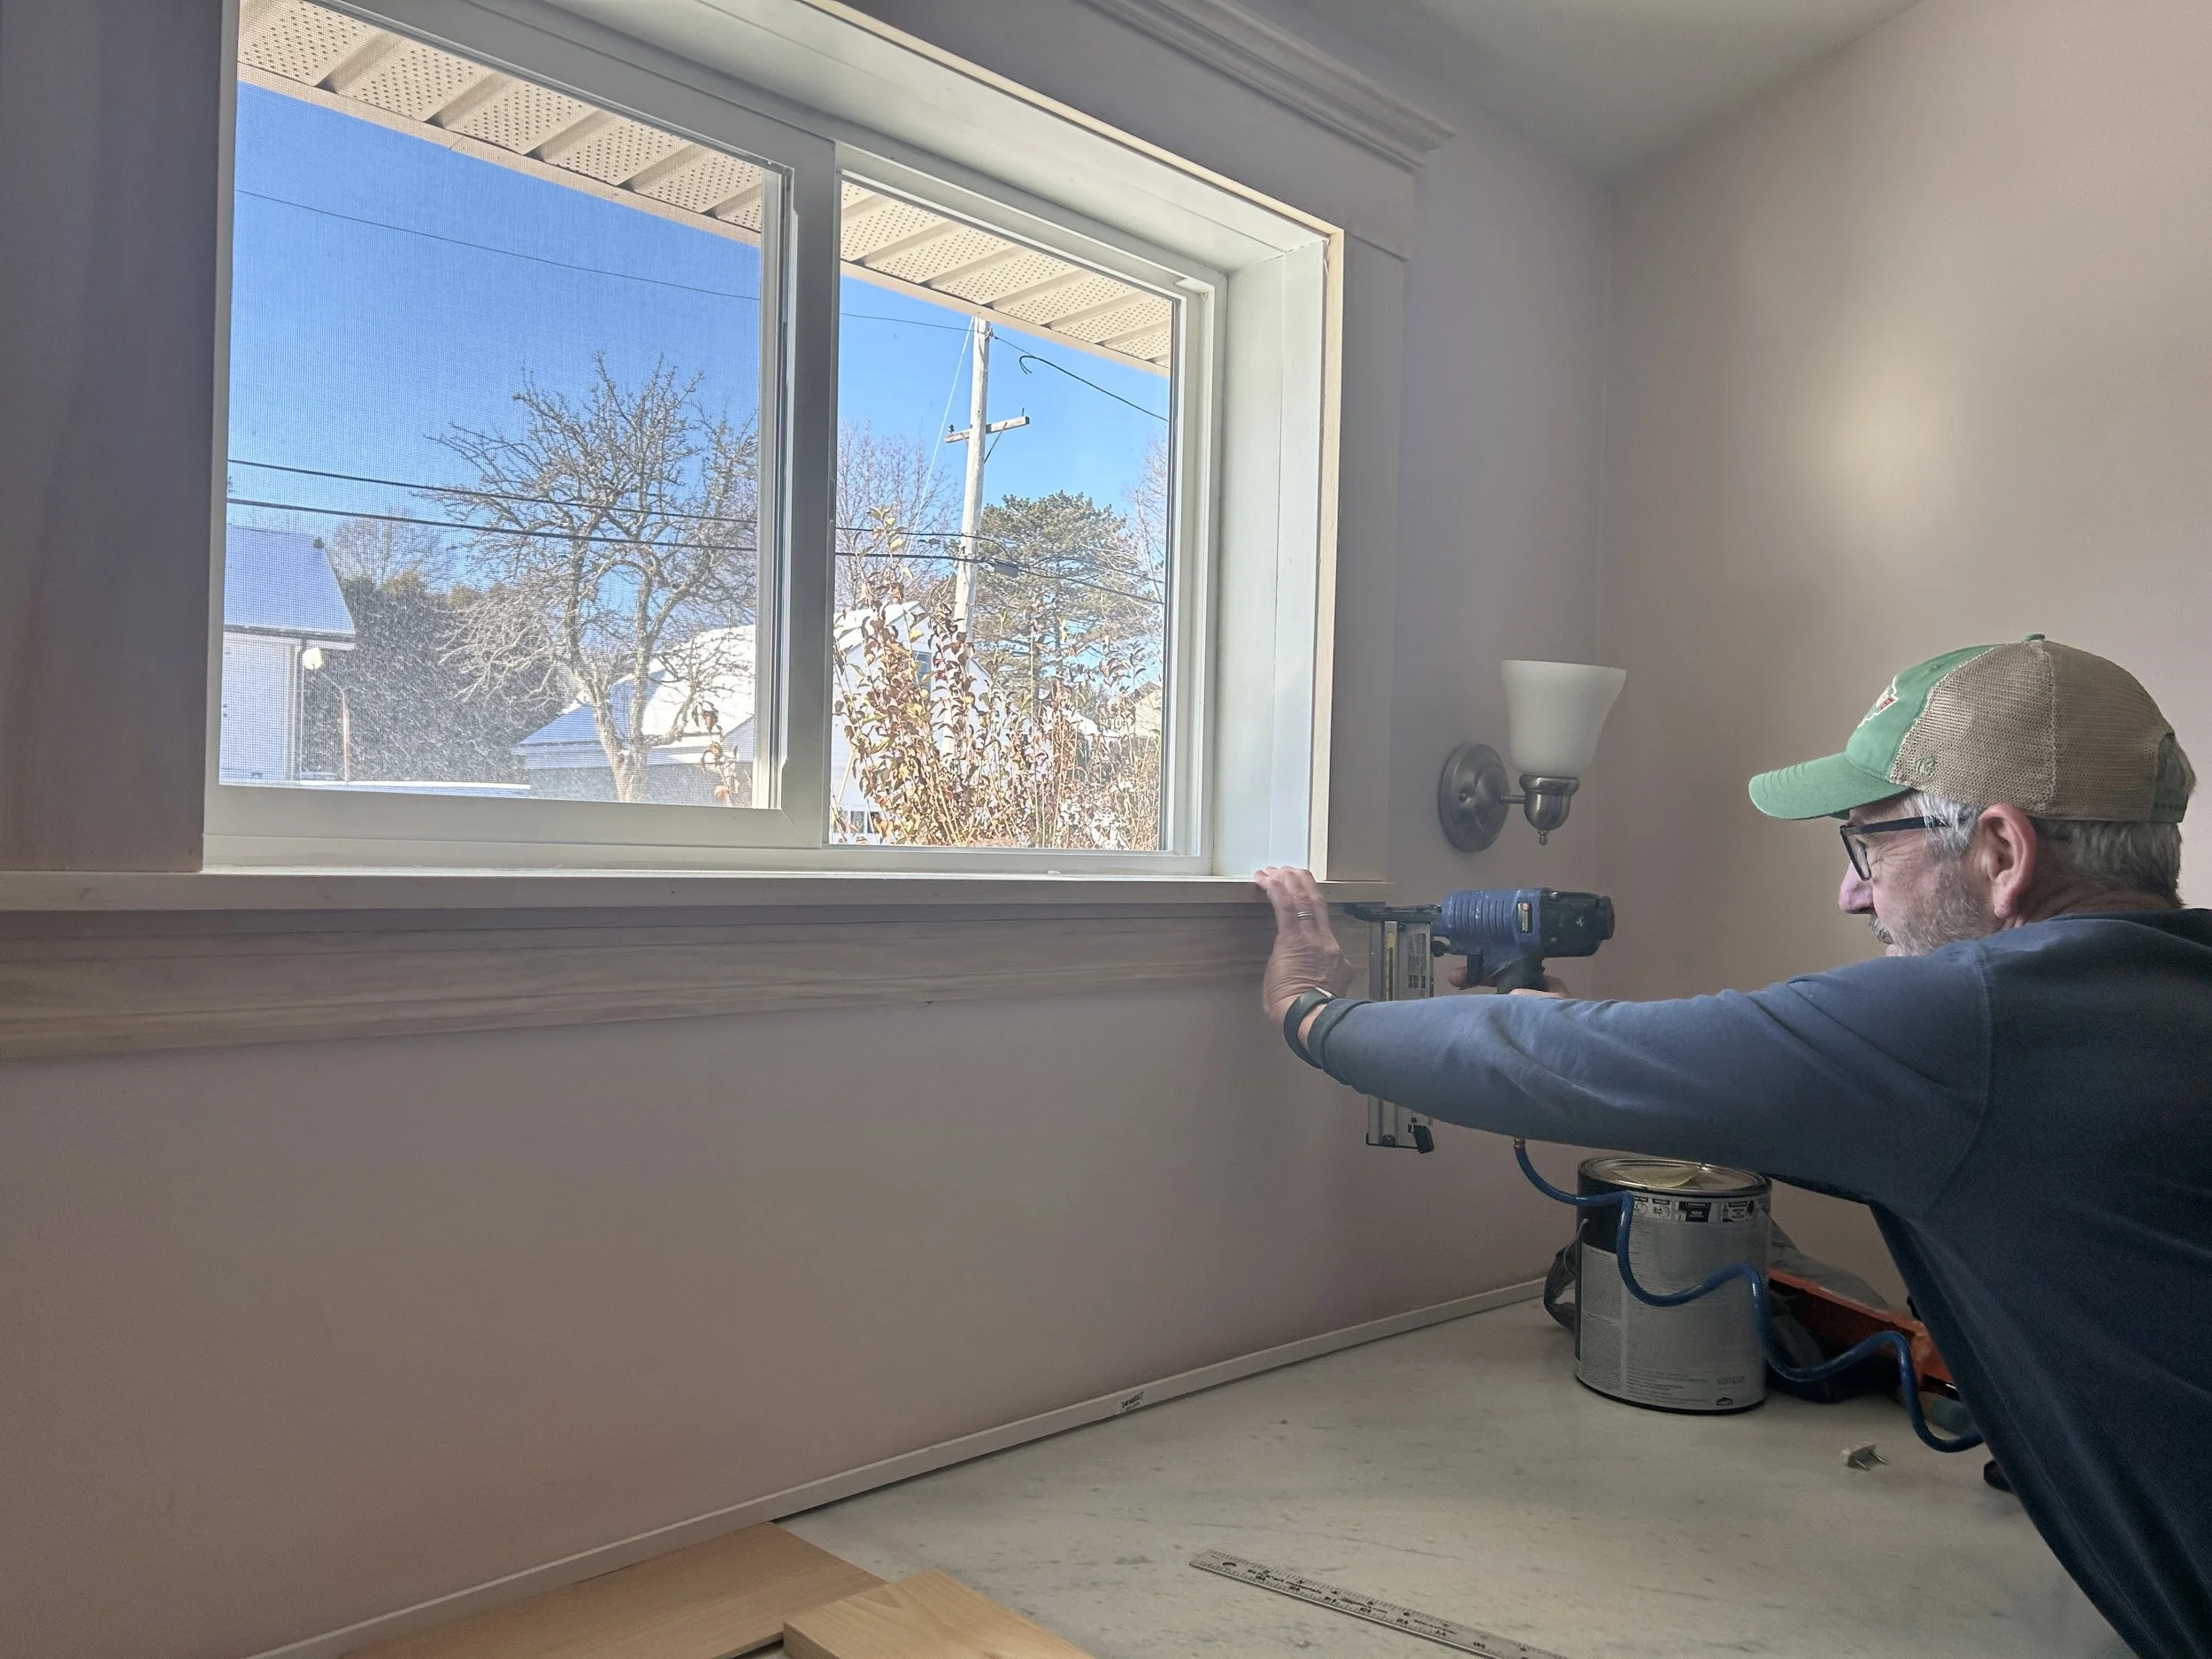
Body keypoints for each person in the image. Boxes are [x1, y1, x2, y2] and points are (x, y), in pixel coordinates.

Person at [1256, 636, 2210, 1659]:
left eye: (1868, 844)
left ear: (2002, 853)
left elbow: (1549, 1057)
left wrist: (1309, 1012)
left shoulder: (1973, 1025)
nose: (1852, 893)